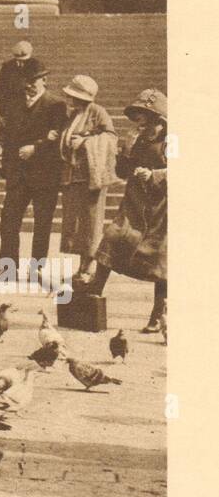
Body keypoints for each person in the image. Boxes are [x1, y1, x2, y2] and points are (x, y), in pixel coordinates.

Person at [75, 88, 167, 332]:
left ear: (158, 119)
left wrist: (155, 175)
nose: (140, 123)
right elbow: (123, 172)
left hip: (163, 207)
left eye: (144, 117)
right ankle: (94, 292)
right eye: (137, 117)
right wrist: (125, 150)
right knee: (112, 238)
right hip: (135, 203)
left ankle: (158, 313)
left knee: (160, 259)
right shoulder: (136, 139)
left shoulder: (173, 140)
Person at [0, 57, 68, 265]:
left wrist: (35, 149)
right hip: (18, 174)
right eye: (25, 80)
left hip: (44, 175)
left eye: (34, 80)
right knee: (8, 221)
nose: (29, 84)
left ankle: (37, 269)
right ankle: (7, 269)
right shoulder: (14, 103)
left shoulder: (56, 105)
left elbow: (58, 141)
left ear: (44, 80)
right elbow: (8, 135)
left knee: (42, 224)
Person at [58, 74, 117, 279]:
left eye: (71, 96)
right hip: (73, 176)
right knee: (75, 222)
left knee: (91, 221)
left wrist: (85, 142)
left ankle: (88, 265)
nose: (68, 99)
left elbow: (110, 138)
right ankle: (82, 264)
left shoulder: (98, 112)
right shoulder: (73, 115)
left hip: (91, 176)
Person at [0, 39, 34, 121]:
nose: (22, 63)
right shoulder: (7, 66)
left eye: (24, 60)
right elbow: (0, 86)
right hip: (10, 105)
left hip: (29, 104)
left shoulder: (36, 66)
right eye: (19, 60)